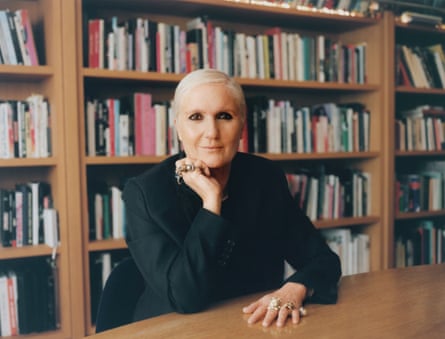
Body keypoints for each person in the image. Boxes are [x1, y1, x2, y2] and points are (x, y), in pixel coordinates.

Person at [122, 68, 341, 328]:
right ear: (178, 128)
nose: (211, 132)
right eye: (196, 117)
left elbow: (323, 261)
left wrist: (295, 288)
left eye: (224, 116)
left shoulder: (264, 177)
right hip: (174, 330)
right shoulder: (146, 193)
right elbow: (185, 298)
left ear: (242, 127)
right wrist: (211, 204)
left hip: (255, 325)